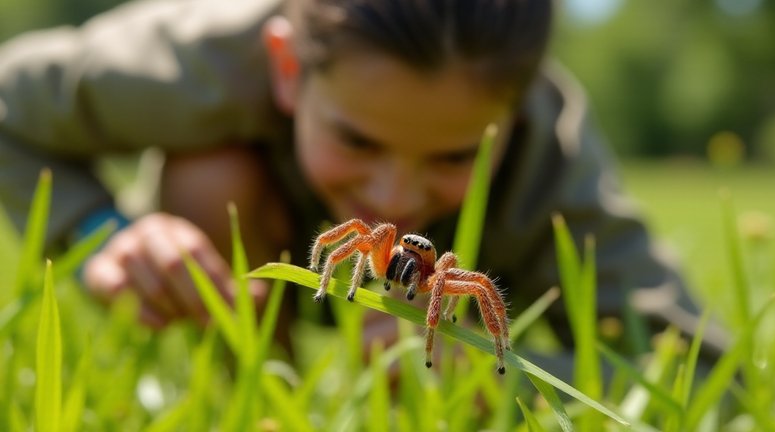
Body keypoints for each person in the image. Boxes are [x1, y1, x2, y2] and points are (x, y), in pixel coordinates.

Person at [0, 0, 724, 360]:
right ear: (287, 70)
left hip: (453, 308)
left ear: (520, 110)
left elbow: (700, 362)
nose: (394, 195)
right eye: (356, 140)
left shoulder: (551, 145)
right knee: (207, 172)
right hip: (235, 251)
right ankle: (247, 393)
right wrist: (102, 235)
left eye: (453, 156)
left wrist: (494, 372)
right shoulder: (195, 62)